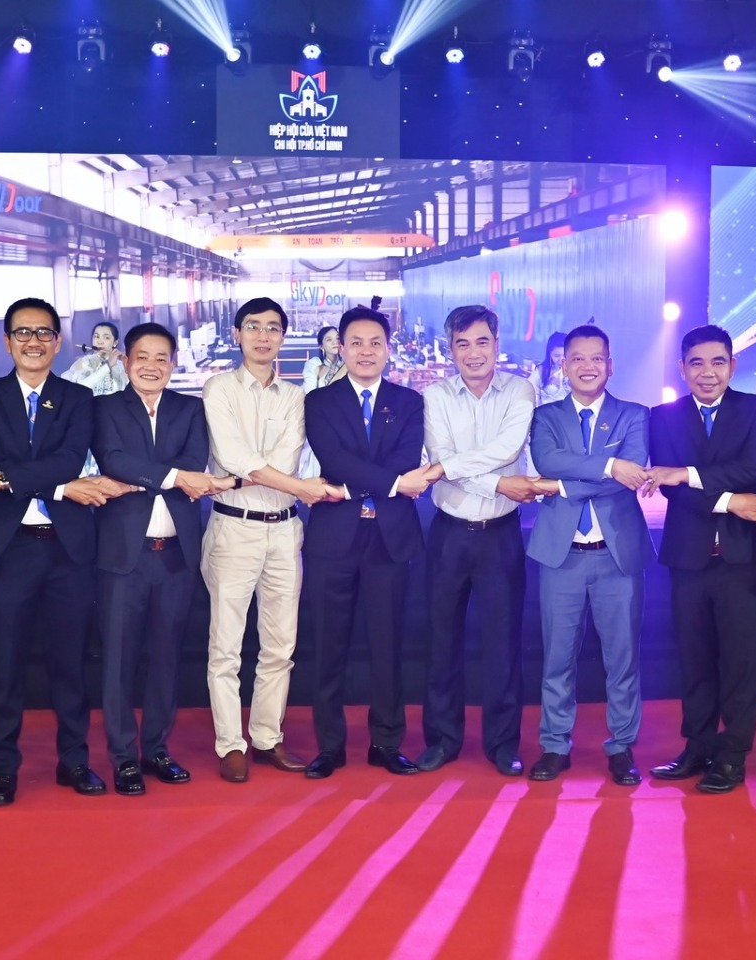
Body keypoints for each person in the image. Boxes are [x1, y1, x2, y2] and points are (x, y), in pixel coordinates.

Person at [0, 298, 136, 802]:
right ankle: (2, 767)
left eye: (44, 333)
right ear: (7, 342)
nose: (33, 342)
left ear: (58, 343)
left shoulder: (78, 397)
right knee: (6, 663)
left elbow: (65, 460)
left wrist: (11, 479)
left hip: (68, 551)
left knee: (70, 663)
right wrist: (60, 488)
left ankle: (74, 761)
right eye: (23, 333)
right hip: (7, 550)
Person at [199, 298, 337, 782]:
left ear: (283, 336)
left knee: (280, 645)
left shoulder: (295, 397)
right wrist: (298, 487)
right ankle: (229, 743)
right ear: (236, 334)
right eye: (253, 327)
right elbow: (235, 457)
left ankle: (265, 737)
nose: (263, 336)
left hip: (284, 531)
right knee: (226, 647)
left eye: (273, 328)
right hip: (233, 528)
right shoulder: (218, 388)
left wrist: (272, 478)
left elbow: (283, 457)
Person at [302, 306, 437, 779]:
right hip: (333, 539)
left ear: (387, 349)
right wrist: (394, 485)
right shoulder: (319, 402)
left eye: (375, 342)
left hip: (389, 540)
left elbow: (406, 458)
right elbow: (334, 459)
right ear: (340, 348)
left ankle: (386, 742)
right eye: (356, 342)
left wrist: (368, 484)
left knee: (388, 645)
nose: (365, 351)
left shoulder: (408, 401)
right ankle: (330, 746)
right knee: (328, 646)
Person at [92, 322, 225, 796]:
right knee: (119, 660)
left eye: (161, 358)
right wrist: (172, 478)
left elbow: (196, 464)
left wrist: (156, 476)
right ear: (126, 362)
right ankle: (123, 757)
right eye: (141, 357)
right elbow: (113, 459)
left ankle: (156, 749)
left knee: (167, 657)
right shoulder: (105, 408)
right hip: (122, 558)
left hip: (175, 557)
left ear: (173, 363)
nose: (151, 366)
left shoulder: (190, 409)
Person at [645, 324, 756, 794]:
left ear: (732, 366)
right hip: (688, 557)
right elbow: (671, 489)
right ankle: (697, 746)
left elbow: (751, 467)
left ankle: (733, 755)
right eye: (696, 363)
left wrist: (685, 473)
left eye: (718, 362)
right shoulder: (662, 417)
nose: (708, 372)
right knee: (694, 658)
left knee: (741, 660)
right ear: (682, 369)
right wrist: (729, 500)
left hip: (742, 556)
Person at [524, 325, 654, 785]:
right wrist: (609, 466)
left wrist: (561, 486)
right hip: (561, 556)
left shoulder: (634, 415)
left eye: (596, 358)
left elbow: (628, 476)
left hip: (617, 556)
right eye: (577, 358)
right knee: (557, 658)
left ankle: (621, 746)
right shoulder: (545, 416)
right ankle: (555, 745)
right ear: (564, 365)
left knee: (623, 658)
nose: (587, 366)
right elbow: (547, 461)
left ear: (610, 365)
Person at [419, 304, 541, 777]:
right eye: (463, 343)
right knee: (440, 642)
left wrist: (447, 469)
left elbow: (506, 449)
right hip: (449, 533)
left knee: (503, 643)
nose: (473, 353)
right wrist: (498, 482)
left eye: (482, 342)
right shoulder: (435, 396)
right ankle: (442, 740)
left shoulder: (519, 390)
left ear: (496, 344)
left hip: (500, 535)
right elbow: (441, 453)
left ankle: (503, 743)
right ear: (450, 349)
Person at [67, 321, 128, 396]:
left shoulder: (121, 366)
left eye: (106, 338)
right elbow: (79, 389)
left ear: (115, 343)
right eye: (96, 337)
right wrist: (108, 366)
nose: (100, 342)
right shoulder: (83, 362)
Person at [303, 326, 346, 390]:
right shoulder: (314, 364)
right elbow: (309, 391)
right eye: (329, 340)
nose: (335, 342)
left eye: (337, 338)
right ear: (321, 346)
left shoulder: (347, 364)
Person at [536, 331, 570, 406]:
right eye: (557, 356)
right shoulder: (541, 370)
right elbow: (529, 394)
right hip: (546, 412)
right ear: (549, 354)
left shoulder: (577, 370)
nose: (561, 359)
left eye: (565, 355)